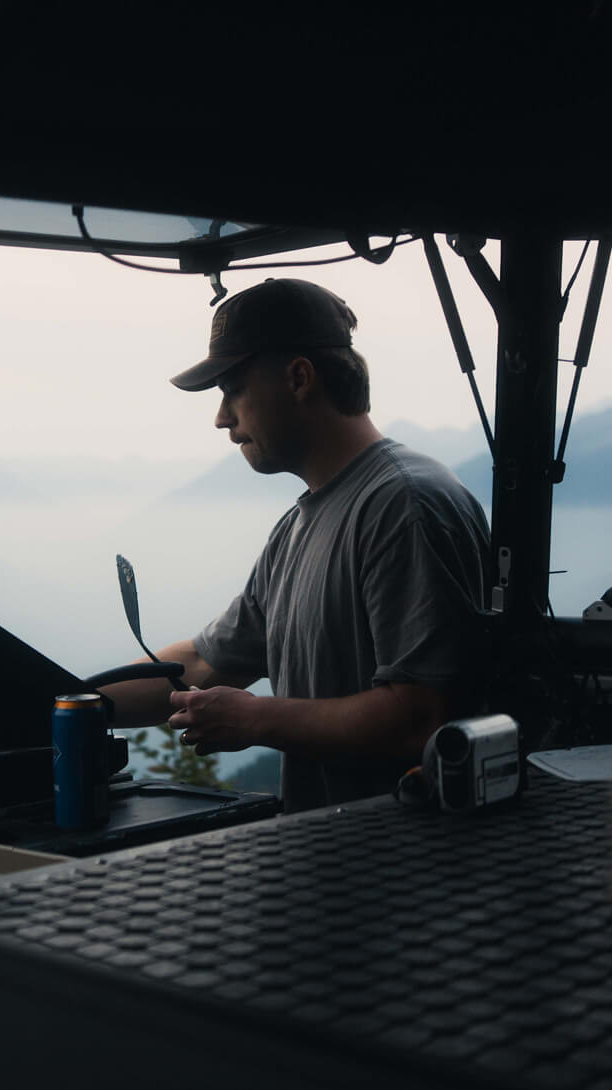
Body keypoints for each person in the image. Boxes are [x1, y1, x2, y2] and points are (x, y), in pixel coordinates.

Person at [105, 278, 492, 812]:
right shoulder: (300, 525)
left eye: (233, 388)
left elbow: (421, 717)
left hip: (405, 875)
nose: (222, 417)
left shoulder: (404, 505)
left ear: (299, 377)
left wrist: (257, 718)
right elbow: (203, 663)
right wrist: (70, 704)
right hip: (333, 869)